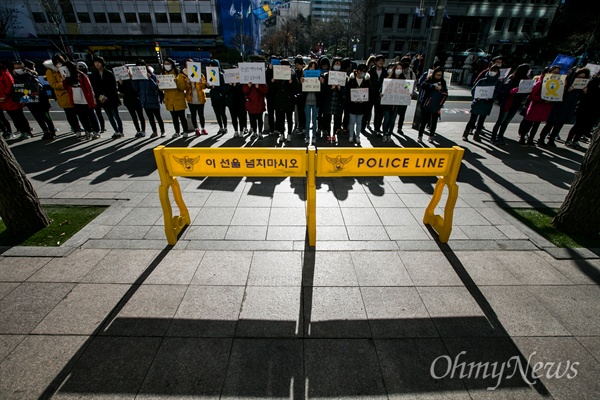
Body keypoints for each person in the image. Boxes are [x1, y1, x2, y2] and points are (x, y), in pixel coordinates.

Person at [539, 67, 590, 147]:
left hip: (569, 107)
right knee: (550, 123)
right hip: (559, 105)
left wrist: (584, 92)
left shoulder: (581, 87)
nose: (581, 79)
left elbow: (581, 98)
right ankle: (541, 139)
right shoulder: (567, 80)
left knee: (559, 124)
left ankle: (552, 139)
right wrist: (567, 90)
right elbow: (557, 91)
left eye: (583, 78)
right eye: (579, 77)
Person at [517, 65, 561, 145]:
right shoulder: (540, 82)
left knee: (536, 125)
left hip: (545, 108)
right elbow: (531, 96)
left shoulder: (557, 84)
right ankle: (522, 137)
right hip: (536, 107)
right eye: (554, 72)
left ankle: (531, 139)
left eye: (558, 73)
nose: (556, 74)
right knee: (528, 124)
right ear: (548, 72)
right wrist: (542, 99)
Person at [490, 63, 531, 145]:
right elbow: (504, 91)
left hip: (516, 104)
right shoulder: (512, 78)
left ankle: (500, 137)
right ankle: (493, 137)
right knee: (500, 121)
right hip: (508, 102)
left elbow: (525, 93)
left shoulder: (526, 80)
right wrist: (511, 91)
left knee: (506, 122)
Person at [15, 60, 56, 140]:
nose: (17, 69)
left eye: (18, 67)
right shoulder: (17, 78)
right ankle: (45, 131)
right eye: (15, 68)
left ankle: (52, 131)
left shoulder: (31, 76)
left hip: (41, 102)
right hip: (30, 103)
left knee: (46, 117)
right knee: (38, 118)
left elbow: (39, 89)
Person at [61, 60, 101, 139]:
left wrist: (92, 100)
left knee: (91, 116)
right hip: (76, 101)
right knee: (82, 118)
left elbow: (89, 89)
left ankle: (96, 131)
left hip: (86, 100)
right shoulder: (68, 78)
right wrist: (64, 79)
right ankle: (88, 131)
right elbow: (65, 87)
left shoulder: (82, 76)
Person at [462, 64, 502, 142]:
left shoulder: (498, 82)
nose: (492, 72)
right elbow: (473, 90)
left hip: (487, 103)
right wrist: (476, 96)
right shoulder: (482, 80)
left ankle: (476, 135)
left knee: (481, 121)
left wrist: (491, 98)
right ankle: (465, 134)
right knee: (472, 120)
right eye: (492, 70)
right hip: (478, 102)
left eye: (495, 71)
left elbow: (498, 93)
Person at [45, 54, 82, 135]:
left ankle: (78, 127)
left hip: (73, 92)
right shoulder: (50, 71)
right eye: (56, 62)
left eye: (60, 61)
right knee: (70, 113)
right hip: (63, 95)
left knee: (78, 112)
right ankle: (76, 128)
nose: (59, 63)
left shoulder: (66, 67)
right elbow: (53, 84)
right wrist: (65, 84)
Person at [564, 70, 600, 148]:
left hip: (595, 109)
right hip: (585, 106)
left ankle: (576, 140)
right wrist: (585, 92)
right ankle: (569, 140)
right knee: (578, 124)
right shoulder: (593, 81)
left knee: (585, 126)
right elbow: (587, 94)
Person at [90, 56, 123, 139]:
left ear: (102, 63)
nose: (97, 64)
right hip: (101, 98)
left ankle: (120, 131)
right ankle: (116, 130)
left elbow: (113, 87)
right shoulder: (94, 74)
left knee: (116, 115)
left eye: (98, 62)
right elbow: (94, 87)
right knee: (109, 116)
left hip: (111, 98)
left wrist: (106, 96)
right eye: (95, 63)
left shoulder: (109, 73)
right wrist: (99, 97)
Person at [133, 60, 165, 138]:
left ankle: (162, 131)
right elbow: (136, 89)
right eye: (138, 66)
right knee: (150, 118)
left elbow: (155, 88)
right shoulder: (138, 78)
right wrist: (132, 80)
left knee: (158, 117)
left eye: (141, 66)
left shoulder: (153, 76)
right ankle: (154, 131)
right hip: (145, 100)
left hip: (153, 99)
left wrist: (150, 79)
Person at [0, 62, 32, 139]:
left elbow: (10, 85)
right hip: (3, 101)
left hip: (11, 99)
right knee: (14, 118)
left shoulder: (5, 74)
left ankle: (27, 131)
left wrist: (5, 95)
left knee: (19, 117)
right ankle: (22, 131)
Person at [272, 59, 300, 143]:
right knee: (280, 118)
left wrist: (291, 83)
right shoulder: (277, 75)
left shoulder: (292, 74)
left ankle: (289, 134)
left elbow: (297, 89)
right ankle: (282, 134)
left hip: (288, 100)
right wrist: (273, 82)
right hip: (279, 100)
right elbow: (273, 90)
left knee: (289, 118)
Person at [418, 66, 448, 144]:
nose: (438, 77)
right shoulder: (429, 80)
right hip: (426, 103)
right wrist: (433, 87)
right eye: (437, 75)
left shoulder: (443, 82)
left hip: (436, 104)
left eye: (440, 75)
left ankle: (431, 136)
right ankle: (420, 136)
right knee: (424, 121)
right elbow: (423, 85)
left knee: (434, 121)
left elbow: (445, 92)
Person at [161, 57, 190, 138]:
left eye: (168, 64)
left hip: (178, 99)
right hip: (169, 100)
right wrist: (159, 84)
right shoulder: (163, 75)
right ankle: (177, 132)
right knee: (174, 118)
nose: (166, 66)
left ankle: (185, 131)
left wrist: (176, 82)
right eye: (165, 64)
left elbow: (183, 87)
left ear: (172, 65)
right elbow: (161, 88)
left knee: (182, 117)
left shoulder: (178, 75)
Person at [117, 64, 146, 137]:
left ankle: (143, 130)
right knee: (133, 117)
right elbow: (121, 91)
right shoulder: (122, 79)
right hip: (128, 100)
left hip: (136, 99)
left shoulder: (134, 77)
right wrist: (120, 84)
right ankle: (138, 130)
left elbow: (137, 89)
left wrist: (132, 79)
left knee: (140, 115)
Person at [321, 57, 345, 143]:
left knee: (337, 119)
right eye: (336, 64)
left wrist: (340, 89)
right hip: (329, 100)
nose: (337, 65)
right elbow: (323, 89)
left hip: (338, 101)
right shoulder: (327, 75)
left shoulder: (343, 76)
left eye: (339, 64)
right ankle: (328, 134)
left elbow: (345, 91)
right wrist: (330, 88)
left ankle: (334, 134)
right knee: (327, 118)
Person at [346, 63, 371, 145]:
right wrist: (352, 100)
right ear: (358, 71)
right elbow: (347, 93)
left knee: (359, 122)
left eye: (365, 72)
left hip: (361, 105)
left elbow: (370, 93)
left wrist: (364, 100)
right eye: (363, 71)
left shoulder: (366, 81)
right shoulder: (351, 80)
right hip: (352, 105)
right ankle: (351, 136)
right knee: (352, 121)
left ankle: (357, 136)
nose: (364, 73)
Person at [381, 62, 405, 143]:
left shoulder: (404, 80)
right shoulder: (389, 79)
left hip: (396, 105)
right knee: (386, 119)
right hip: (388, 104)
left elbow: (407, 90)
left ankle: (389, 134)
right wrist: (381, 93)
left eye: (400, 68)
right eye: (397, 68)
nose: (399, 70)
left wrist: (409, 93)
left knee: (392, 121)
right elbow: (382, 90)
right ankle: (384, 134)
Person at [183, 59, 208, 137]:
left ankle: (203, 128)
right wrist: (188, 83)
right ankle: (196, 129)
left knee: (201, 115)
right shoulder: (184, 75)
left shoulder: (200, 74)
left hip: (200, 98)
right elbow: (184, 88)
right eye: (187, 65)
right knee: (193, 115)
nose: (189, 66)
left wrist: (201, 82)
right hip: (191, 99)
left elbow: (204, 87)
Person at [300, 60, 322, 145]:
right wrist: (301, 82)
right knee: (307, 120)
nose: (312, 69)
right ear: (308, 67)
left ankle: (313, 137)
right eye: (311, 67)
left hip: (316, 101)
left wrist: (321, 82)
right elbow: (300, 89)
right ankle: (307, 136)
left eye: (314, 67)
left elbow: (321, 90)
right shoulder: (304, 76)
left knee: (314, 119)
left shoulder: (319, 77)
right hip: (307, 101)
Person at [396, 56, 417, 135]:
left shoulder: (411, 74)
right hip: (396, 96)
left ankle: (399, 127)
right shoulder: (397, 71)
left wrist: (410, 91)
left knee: (402, 113)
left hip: (405, 97)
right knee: (394, 112)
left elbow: (413, 85)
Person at [207, 59, 229, 135]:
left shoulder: (221, 75)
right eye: (209, 66)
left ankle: (225, 127)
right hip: (214, 97)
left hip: (221, 98)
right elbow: (209, 86)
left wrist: (216, 87)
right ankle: (220, 127)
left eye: (212, 66)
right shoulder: (210, 75)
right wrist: (208, 85)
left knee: (222, 113)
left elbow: (225, 88)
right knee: (217, 114)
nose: (210, 67)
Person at [368, 54, 386, 135]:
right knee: (367, 111)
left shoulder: (385, 72)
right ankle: (364, 125)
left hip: (380, 96)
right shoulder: (370, 72)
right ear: (375, 62)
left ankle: (377, 128)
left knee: (379, 113)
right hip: (370, 95)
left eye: (382, 61)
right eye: (379, 61)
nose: (381, 62)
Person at [226, 71, 248, 138]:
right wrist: (230, 86)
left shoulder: (241, 82)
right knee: (233, 118)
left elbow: (243, 91)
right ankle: (236, 131)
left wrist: (236, 85)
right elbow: (226, 91)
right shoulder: (228, 82)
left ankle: (241, 130)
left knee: (241, 117)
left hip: (240, 102)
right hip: (232, 103)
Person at [293, 55, 306, 135]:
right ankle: (300, 126)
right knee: (299, 112)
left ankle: (303, 127)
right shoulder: (296, 72)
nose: (296, 66)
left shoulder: (305, 71)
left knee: (303, 112)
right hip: (298, 95)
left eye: (297, 65)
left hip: (304, 94)